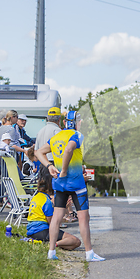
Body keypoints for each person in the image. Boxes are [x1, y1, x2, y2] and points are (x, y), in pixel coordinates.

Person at [36, 110, 105, 262]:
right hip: (76, 183)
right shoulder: (77, 135)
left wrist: (49, 166)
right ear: (77, 122)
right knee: (83, 218)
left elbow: (39, 152)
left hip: (59, 184)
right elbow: (68, 149)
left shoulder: (56, 136)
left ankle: (51, 252)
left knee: (56, 217)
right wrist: (65, 170)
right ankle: (89, 253)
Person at [26, 171, 81, 250]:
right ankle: (51, 245)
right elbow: (53, 224)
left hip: (31, 232)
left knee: (70, 246)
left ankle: (51, 243)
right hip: (42, 231)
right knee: (76, 241)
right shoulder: (47, 201)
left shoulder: (36, 197)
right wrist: (64, 209)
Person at [35, 107, 62, 179]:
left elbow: (36, 151)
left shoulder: (40, 131)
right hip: (54, 165)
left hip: (43, 165)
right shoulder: (58, 131)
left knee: (44, 189)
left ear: (47, 118)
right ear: (59, 119)